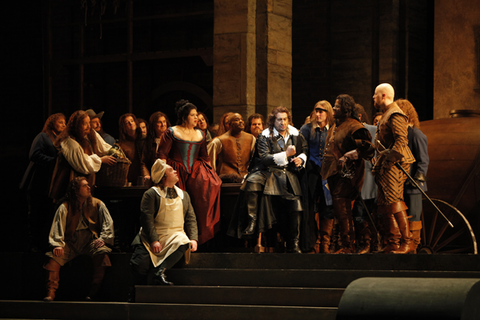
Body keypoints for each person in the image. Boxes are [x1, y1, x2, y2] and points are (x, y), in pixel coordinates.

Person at [157, 99, 222, 245]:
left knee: (210, 188)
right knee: (178, 204)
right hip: (176, 169)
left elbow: (204, 156)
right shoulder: (171, 132)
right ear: (185, 117)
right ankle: (178, 239)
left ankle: (199, 237)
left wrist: (210, 173)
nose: (196, 118)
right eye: (193, 115)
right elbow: (162, 154)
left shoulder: (200, 134)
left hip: (195, 171)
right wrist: (165, 171)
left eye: (196, 115)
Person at [130, 159, 198, 291]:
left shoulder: (183, 195)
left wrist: (194, 238)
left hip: (175, 235)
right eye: (171, 170)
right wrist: (154, 240)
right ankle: (135, 292)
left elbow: (191, 218)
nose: (175, 171)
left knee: (183, 242)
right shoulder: (151, 194)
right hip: (153, 235)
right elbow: (147, 219)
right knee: (140, 264)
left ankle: (160, 272)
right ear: (164, 175)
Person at [43, 177, 114, 301]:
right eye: (84, 186)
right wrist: (57, 244)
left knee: (103, 254)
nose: (88, 188)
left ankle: (93, 291)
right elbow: (57, 225)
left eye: (88, 185)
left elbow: (108, 223)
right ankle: (51, 292)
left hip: (89, 240)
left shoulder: (97, 203)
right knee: (53, 258)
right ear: (76, 190)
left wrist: (103, 238)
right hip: (70, 241)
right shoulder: (65, 206)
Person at [321, 95, 374, 254]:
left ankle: (348, 246)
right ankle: (344, 244)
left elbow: (368, 149)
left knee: (343, 209)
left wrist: (349, 155)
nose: (334, 108)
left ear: (346, 109)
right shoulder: (336, 126)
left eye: (337, 106)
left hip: (348, 175)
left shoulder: (354, 126)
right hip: (334, 174)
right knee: (339, 209)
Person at [252, 106, 308, 253]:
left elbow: (305, 149)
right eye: (279, 119)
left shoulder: (296, 134)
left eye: (285, 119)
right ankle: (275, 243)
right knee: (275, 210)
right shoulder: (264, 136)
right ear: (273, 120)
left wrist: (301, 159)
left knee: (296, 207)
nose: (282, 123)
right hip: (272, 177)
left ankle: (294, 243)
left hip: (291, 176)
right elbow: (264, 158)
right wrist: (285, 154)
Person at [372, 83, 415, 254]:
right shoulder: (386, 114)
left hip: (395, 164)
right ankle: (393, 241)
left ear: (383, 96)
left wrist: (388, 162)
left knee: (395, 201)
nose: (373, 98)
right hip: (386, 163)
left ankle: (407, 241)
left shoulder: (395, 113)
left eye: (375, 94)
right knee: (385, 203)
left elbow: (401, 141)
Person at [20, 113, 66, 252]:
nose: (64, 125)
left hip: (50, 184)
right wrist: (54, 162)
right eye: (60, 122)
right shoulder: (43, 137)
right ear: (52, 123)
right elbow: (34, 154)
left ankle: (44, 244)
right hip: (38, 182)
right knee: (35, 213)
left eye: (65, 123)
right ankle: (32, 245)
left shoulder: (62, 140)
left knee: (47, 214)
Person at [49, 110, 116, 201]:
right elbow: (82, 163)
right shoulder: (68, 141)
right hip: (71, 181)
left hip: (86, 181)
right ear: (76, 125)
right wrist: (100, 160)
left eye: (89, 123)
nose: (89, 126)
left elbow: (103, 147)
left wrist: (115, 152)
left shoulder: (89, 133)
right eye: (85, 123)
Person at [299, 101, 334, 253]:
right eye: (316, 111)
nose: (318, 114)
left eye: (322, 111)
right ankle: (312, 243)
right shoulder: (306, 129)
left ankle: (325, 244)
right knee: (309, 207)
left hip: (328, 173)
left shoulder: (333, 129)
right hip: (311, 172)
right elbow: (302, 150)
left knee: (327, 206)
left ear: (328, 113)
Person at [396, 98, 429, 253]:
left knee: (414, 218)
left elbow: (423, 161)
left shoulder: (416, 134)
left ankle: (413, 249)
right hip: (400, 184)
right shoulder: (401, 134)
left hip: (413, 187)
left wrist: (417, 179)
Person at [352, 103, 378, 254]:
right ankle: (366, 243)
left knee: (373, 213)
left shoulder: (373, 130)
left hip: (372, 178)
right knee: (358, 214)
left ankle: (375, 243)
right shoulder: (350, 132)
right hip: (357, 179)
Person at [207, 113, 255, 183]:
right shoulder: (219, 140)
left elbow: (256, 159)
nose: (241, 121)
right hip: (226, 179)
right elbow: (209, 159)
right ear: (229, 124)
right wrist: (213, 177)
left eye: (242, 119)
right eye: (237, 120)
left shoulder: (251, 138)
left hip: (245, 178)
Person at [118, 113, 150, 186]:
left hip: (147, 175)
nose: (130, 123)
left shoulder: (145, 140)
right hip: (132, 178)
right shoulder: (123, 145)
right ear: (124, 127)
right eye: (127, 122)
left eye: (132, 121)